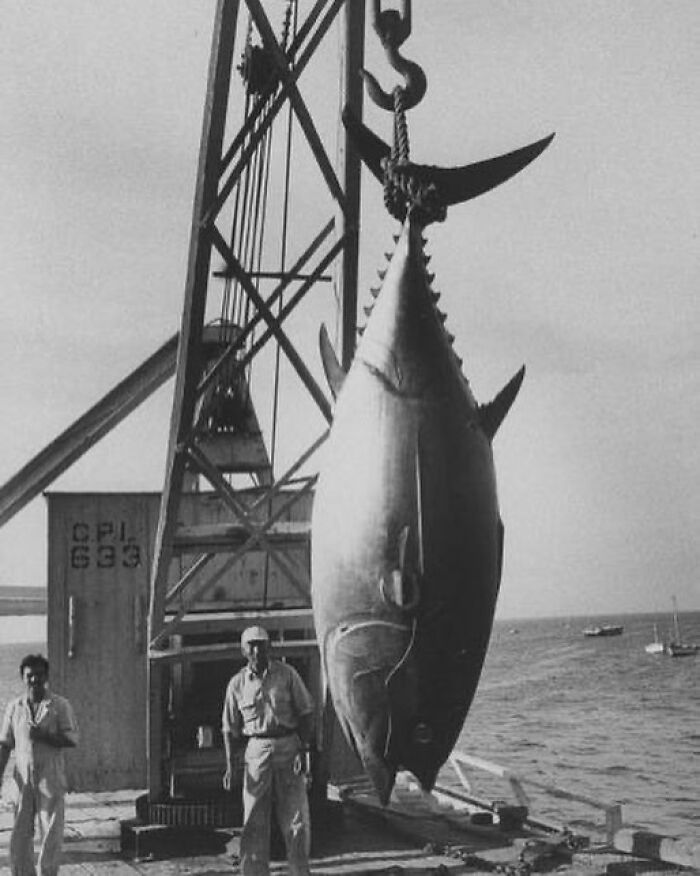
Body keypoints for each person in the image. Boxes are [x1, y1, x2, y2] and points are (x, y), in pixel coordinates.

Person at [222, 625, 314, 876]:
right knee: (254, 820)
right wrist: (231, 765)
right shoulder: (237, 684)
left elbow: (306, 713)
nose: (256, 650)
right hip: (256, 749)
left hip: (289, 746)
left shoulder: (287, 675)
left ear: (269, 647)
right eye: (251, 645)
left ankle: (299, 872)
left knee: (296, 820)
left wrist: (303, 750)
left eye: (261, 644)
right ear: (243, 650)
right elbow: (229, 729)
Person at [0, 653, 79, 876]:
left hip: (50, 778)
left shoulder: (60, 706)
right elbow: (5, 744)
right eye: (30, 675)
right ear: (23, 677)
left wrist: (44, 735)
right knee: (20, 835)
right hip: (22, 780)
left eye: (39, 674)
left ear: (47, 676)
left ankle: (48, 873)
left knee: (51, 833)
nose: (35, 679)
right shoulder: (14, 707)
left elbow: (72, 740)